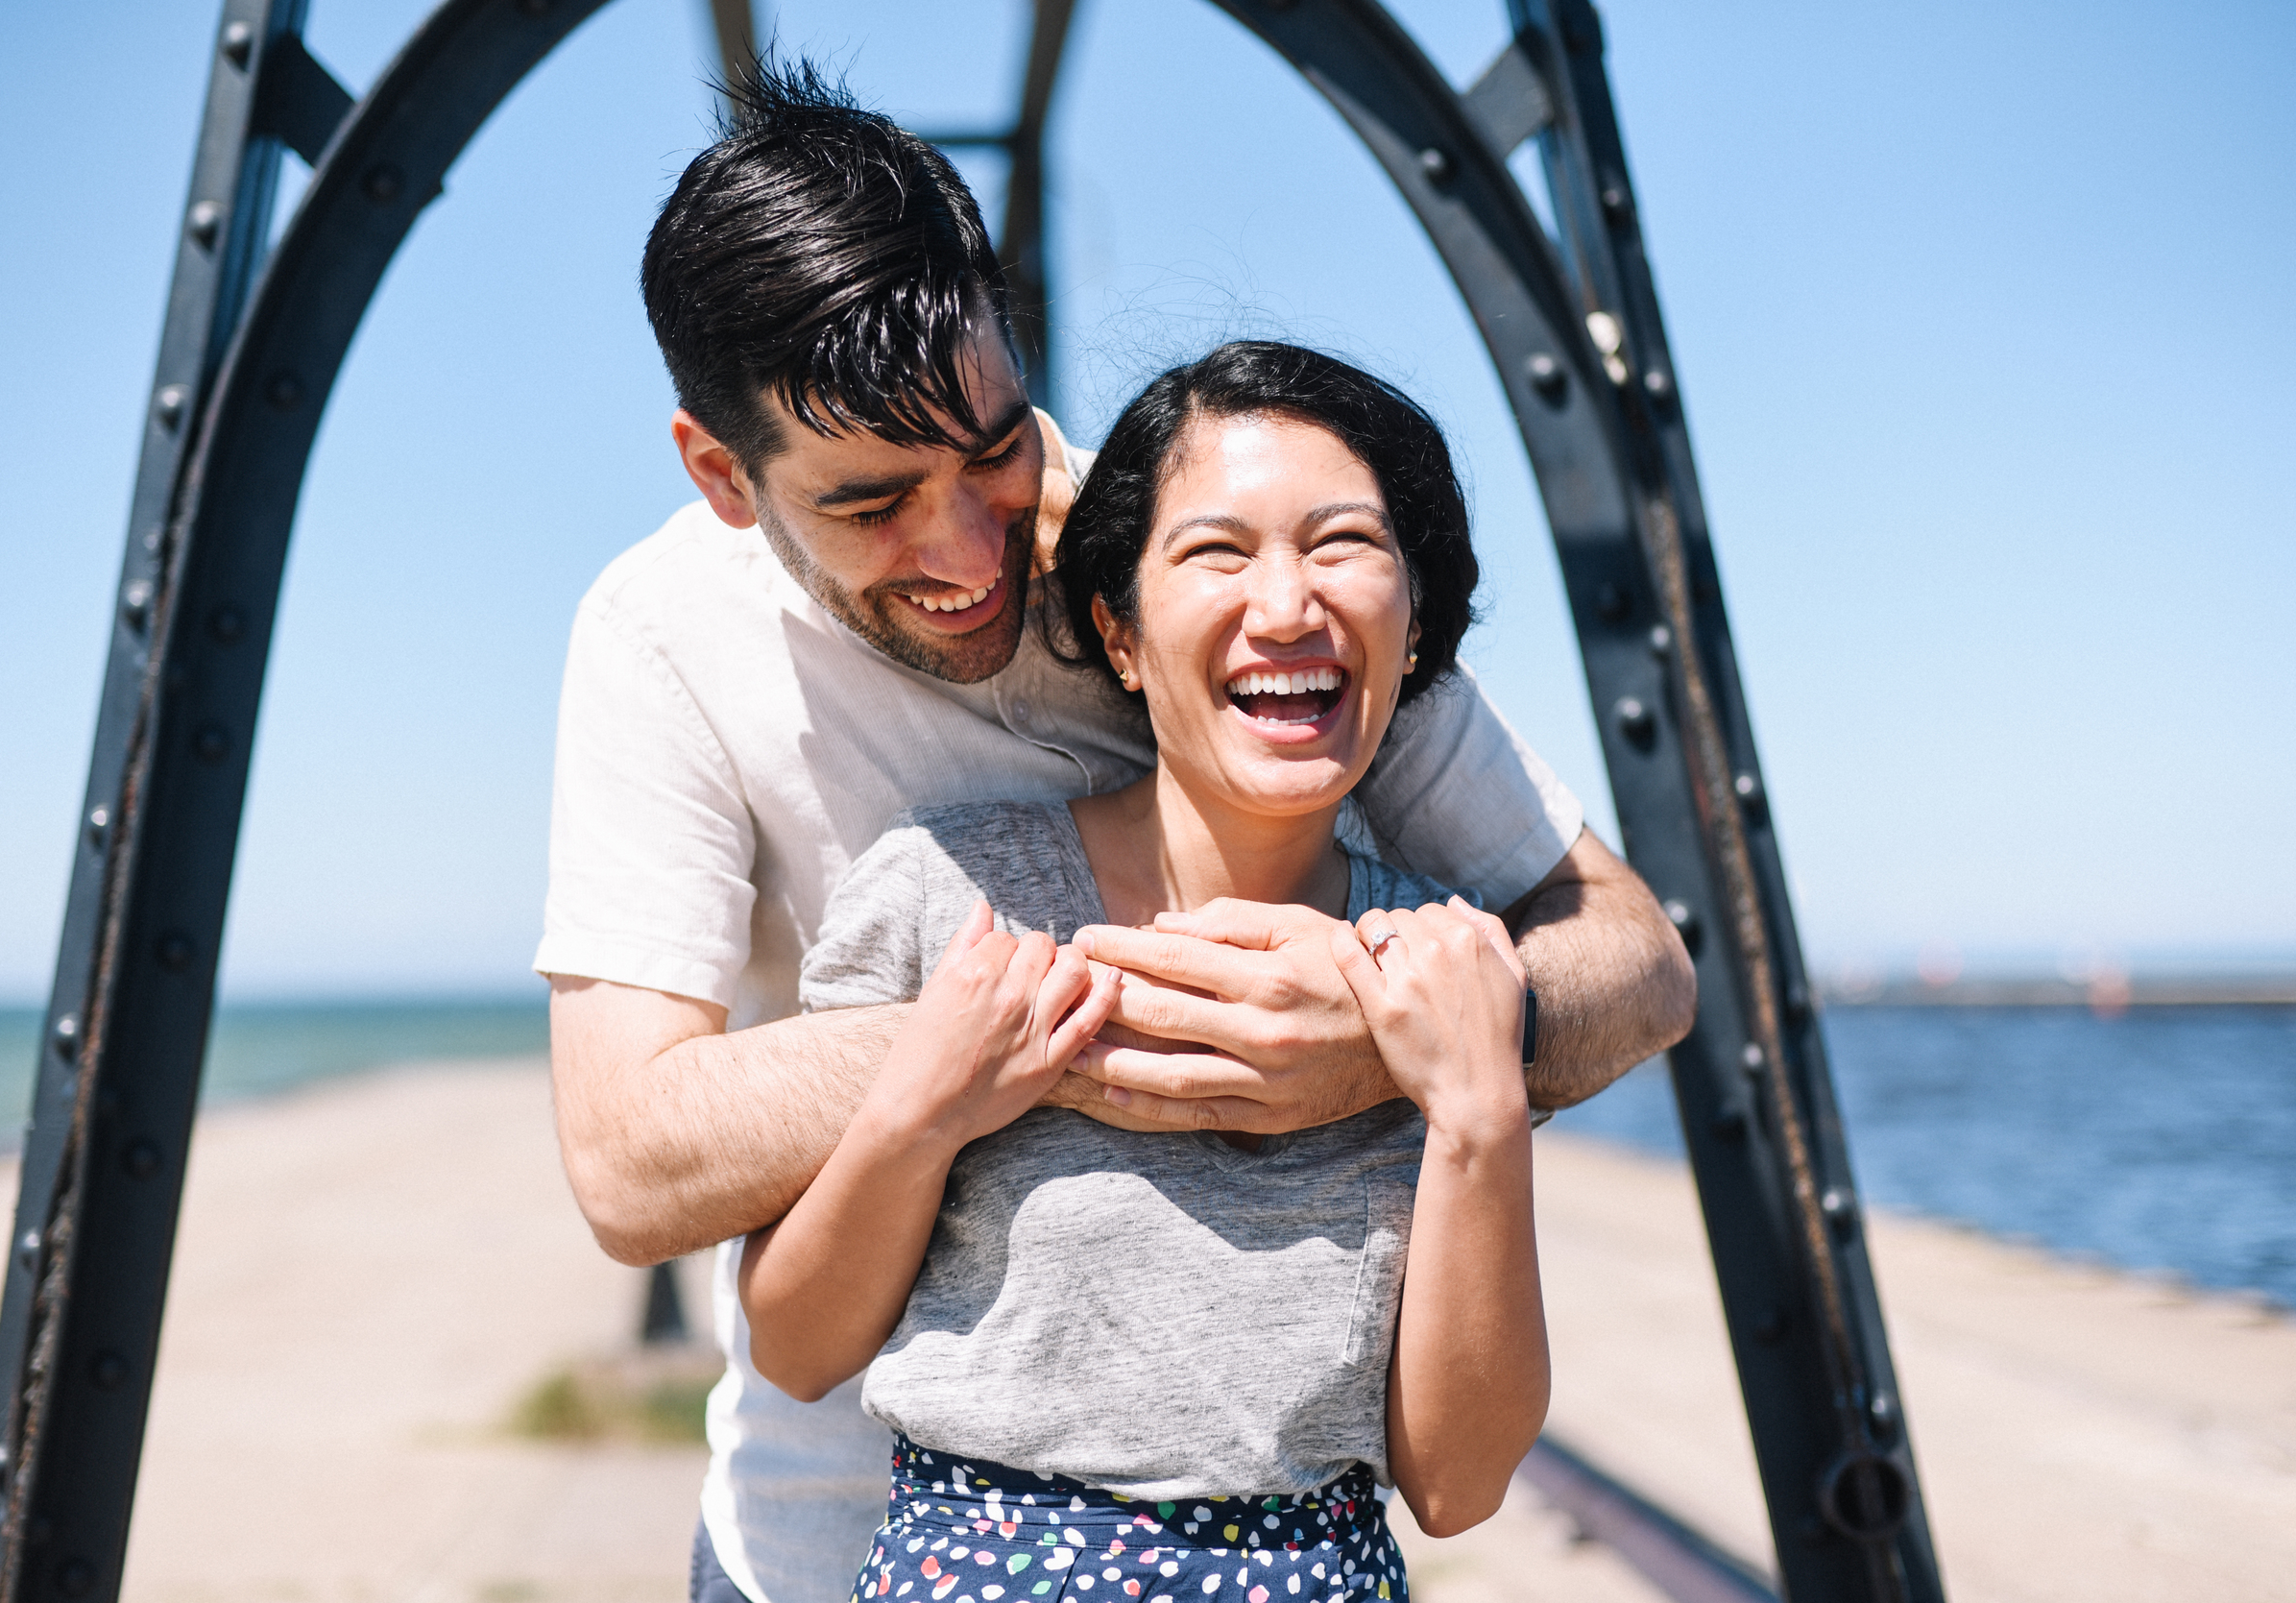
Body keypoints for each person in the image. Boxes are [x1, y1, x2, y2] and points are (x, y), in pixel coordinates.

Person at [534, 61, 1695, 1603]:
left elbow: (1633, 954)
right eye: (874, 501)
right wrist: (1065, 1020)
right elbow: (628, 1163)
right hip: (826, 1543)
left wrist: (1384, 1032)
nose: (964, 549)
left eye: (994, 449)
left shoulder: (1201, 560)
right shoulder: (661, 636)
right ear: (720, 474)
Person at [741, 341, 1549, 1603]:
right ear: (1117, 630)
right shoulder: (944, 891)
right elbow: (793, 1344)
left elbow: (1457, 1482)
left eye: (1341, 543)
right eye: (1218, 552)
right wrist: (926, 1098)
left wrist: (1481, 1111)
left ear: (1416, 617)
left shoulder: (1443, 968)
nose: (1286, 606)